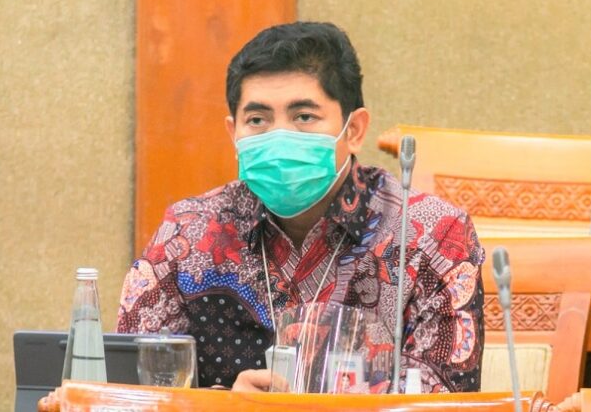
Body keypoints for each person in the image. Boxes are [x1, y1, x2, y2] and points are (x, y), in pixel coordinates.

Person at [117, 21, 485, 393]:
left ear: (354, 130)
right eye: (257, 120)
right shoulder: (187, 233)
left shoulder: (432, 236)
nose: (280, 136)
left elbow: (445, 398)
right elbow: (130, 391)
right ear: (234, 133)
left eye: (304, 117)